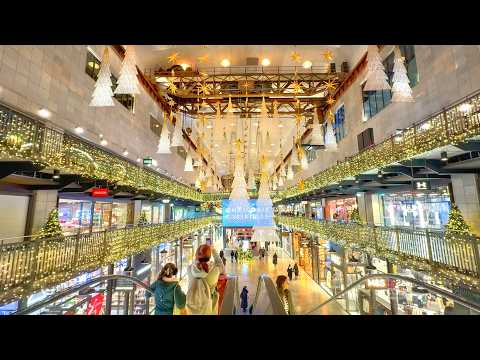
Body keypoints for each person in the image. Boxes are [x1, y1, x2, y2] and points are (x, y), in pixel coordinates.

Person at [186, 244, 224, 315]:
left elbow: (196, 263)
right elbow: (221, 265)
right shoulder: (214, 271)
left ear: (196, 255)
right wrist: (213, 251)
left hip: (192, 308)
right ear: (209, 256)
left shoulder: (189, 269)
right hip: (210, 307)